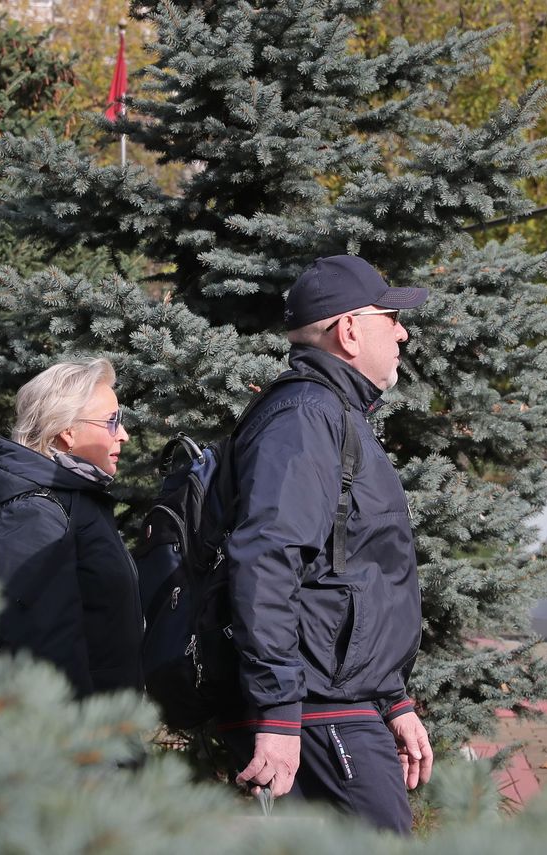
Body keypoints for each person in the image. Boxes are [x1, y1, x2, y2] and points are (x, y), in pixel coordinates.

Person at [220, 255, 434, 833]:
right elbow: (266, 561)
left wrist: (391, 699)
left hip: (335, 699)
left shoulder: (331, 412)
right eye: (391, 318)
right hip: (315, 707)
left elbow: (351, 574)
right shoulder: (305, 416)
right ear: (349, 331)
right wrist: (279, 711)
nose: (402, 333)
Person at [0, 357, 143, 698]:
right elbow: (46, 655)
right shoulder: (33, 514)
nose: (124, 435)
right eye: (112, 422)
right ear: (68, 430)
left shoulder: (73, 502)